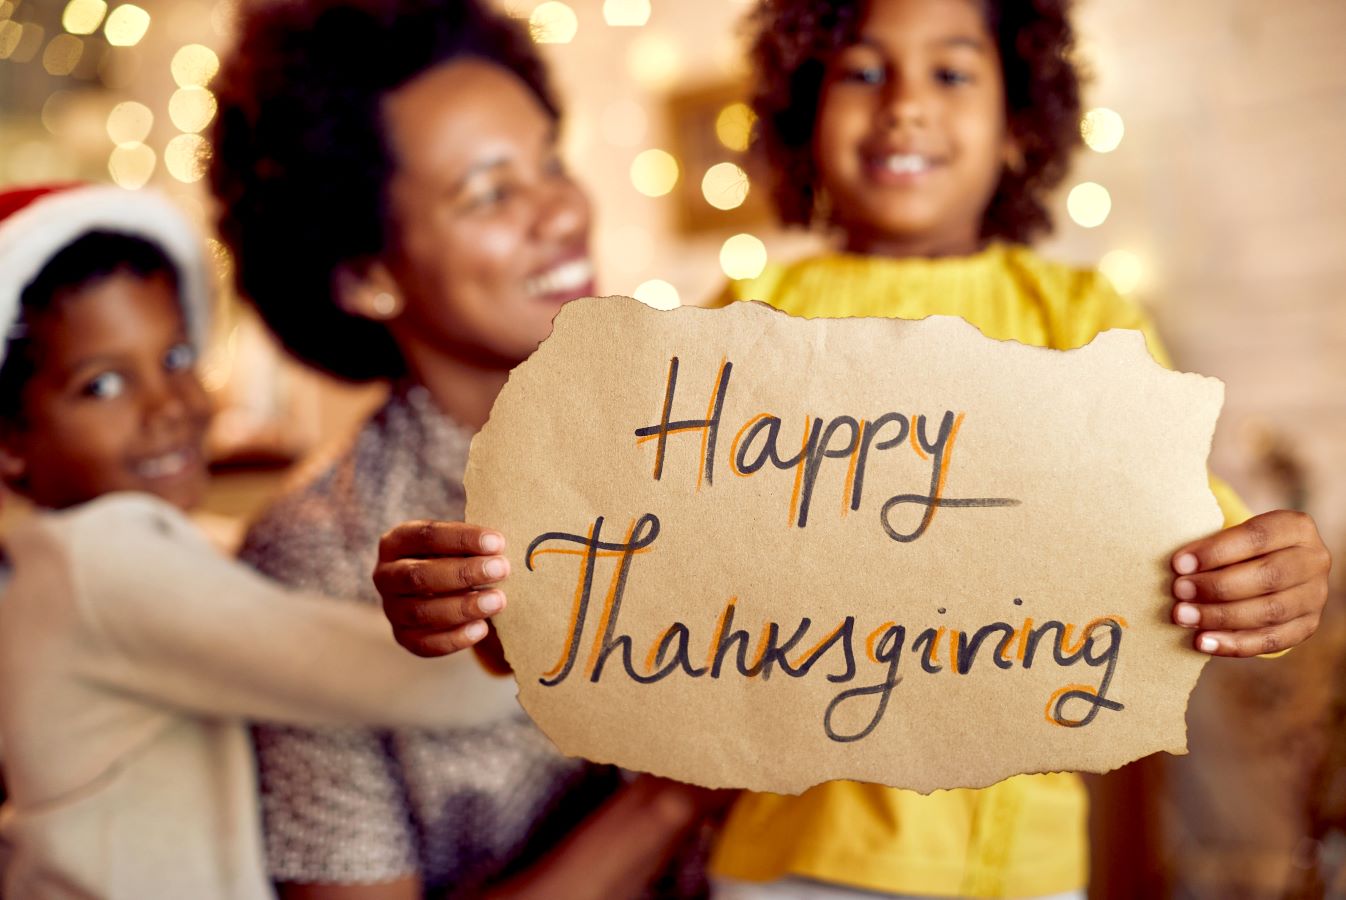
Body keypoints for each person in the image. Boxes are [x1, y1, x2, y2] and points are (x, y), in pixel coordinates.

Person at [380, 0, 1333, 897]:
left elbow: (1189, 539)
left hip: (1015, 866)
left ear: (1018, 124)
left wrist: (1268, 576)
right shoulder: (749, 319)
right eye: (863, 72)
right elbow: (627, 564)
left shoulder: (1084, 322)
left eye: (951, 74)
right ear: (804, 111)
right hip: (785, 857)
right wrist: (492, 606)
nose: (905, 104)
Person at [208, 1, 723, 897]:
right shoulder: (316, 557)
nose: (559, 212)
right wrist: (672, 800)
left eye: (549, 163)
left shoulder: (704, 428)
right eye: (489, 193)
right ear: (365, 275)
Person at [0, 183, 508, 900]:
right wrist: (579, 637)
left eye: (177, 357)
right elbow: (401, 680)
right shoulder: (97, 563)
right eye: (103, 385)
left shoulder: (76, 568)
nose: (169, 405)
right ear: (9, 442)